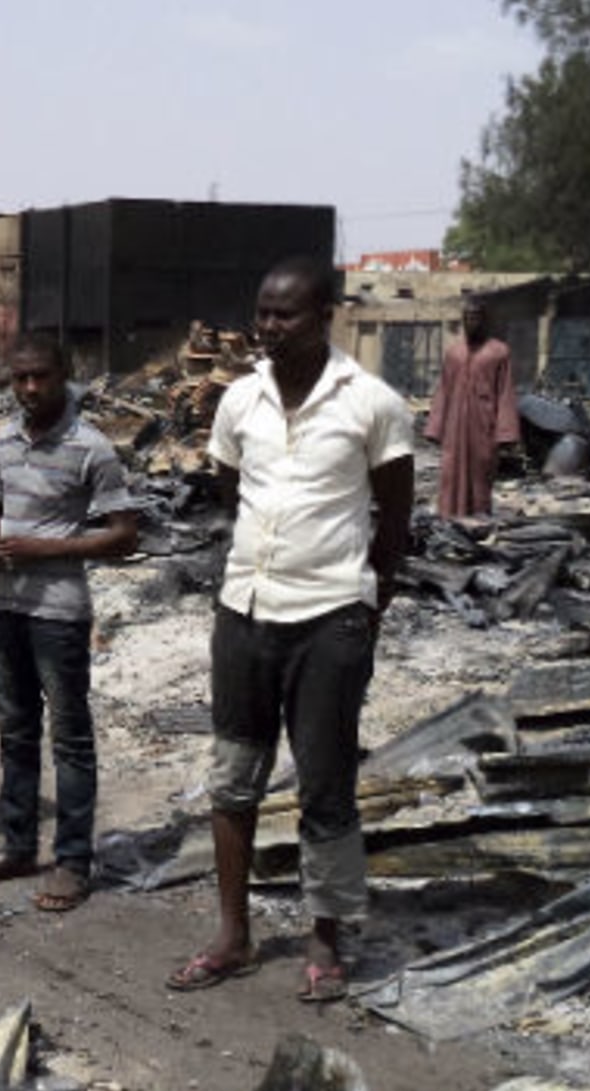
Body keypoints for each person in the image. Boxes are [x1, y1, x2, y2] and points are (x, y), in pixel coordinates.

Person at [166, 258, 414, 1002]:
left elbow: (396, 520)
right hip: (245, 613)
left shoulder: (372, 402)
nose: (269, 327)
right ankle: (233, 935)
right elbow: (230, 487)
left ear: (326, 315)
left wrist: (369, 608)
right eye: (263, 314)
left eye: (287, 315)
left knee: (325, 783)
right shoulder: (239, 400)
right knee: (233, 779)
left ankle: (326, 939)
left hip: (330, 620)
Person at [0, 333, 140, 911]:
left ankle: (72, 862)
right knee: (15, 733)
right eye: (20, 379)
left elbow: (124, 535)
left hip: (60, 613)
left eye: (41, 376)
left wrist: (42, 549)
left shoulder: (93, 447)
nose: (30, 388)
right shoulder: (5, 437)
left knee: (70, 738)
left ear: (65, 373)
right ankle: (17, 845)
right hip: (7, 609)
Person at [423, 296, 519, 518]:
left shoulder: (499, 352)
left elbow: (505, 393)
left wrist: (505, 434)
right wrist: (435, 427)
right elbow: (444, 390)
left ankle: (478, 519)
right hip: (454, 428)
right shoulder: (454, 353)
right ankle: (448, 518)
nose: (471, 323)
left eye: (476, 318)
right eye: (467, 318)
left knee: (480, 473)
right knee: (450, 473)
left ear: (485, 320)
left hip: (484, 425)